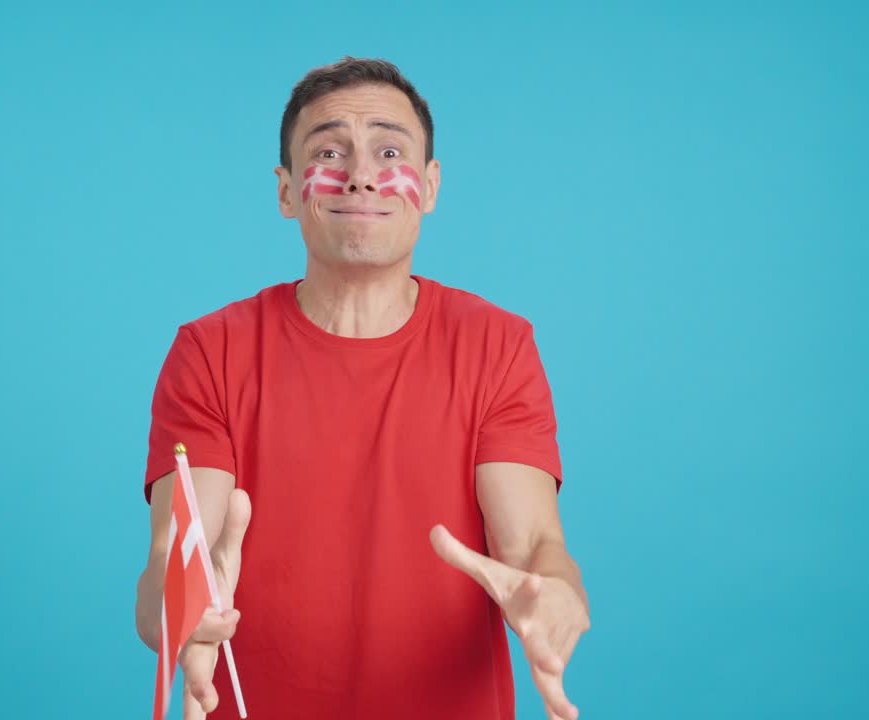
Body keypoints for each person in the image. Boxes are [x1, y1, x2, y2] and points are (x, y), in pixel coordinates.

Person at [135, 56, 590, 720]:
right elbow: (169, 572)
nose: (361, 174)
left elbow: (532, 544)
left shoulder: (498, 344)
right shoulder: (210, 351)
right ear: (287, 192)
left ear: (429, 186)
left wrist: (552, 594)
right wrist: (185, 610)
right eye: (328, 150)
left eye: (388, 150)